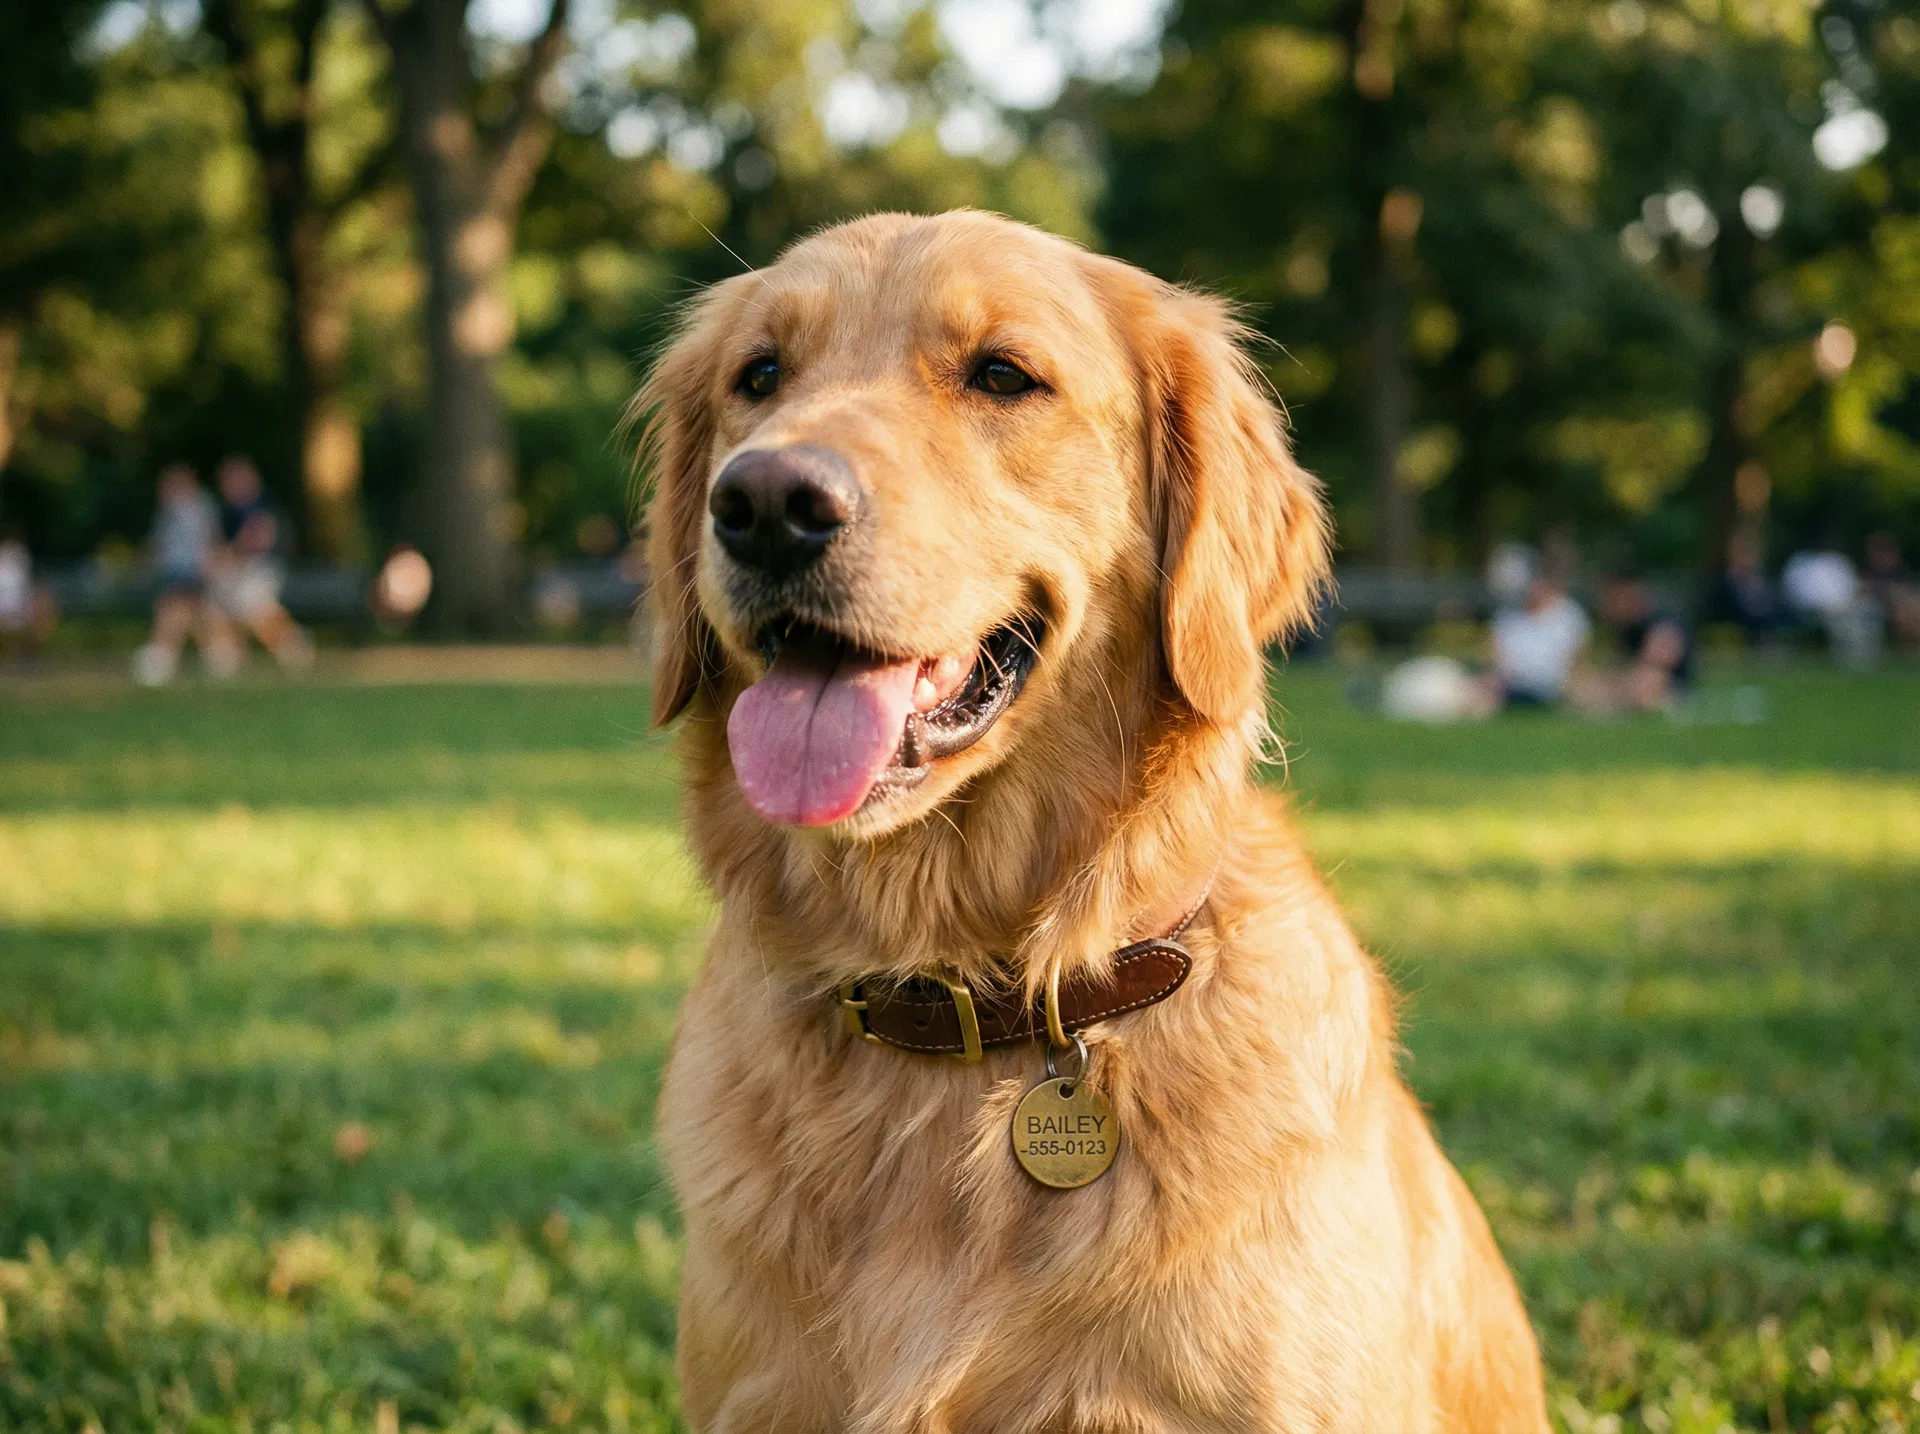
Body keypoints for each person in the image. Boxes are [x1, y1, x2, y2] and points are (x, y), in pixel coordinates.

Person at [209, 455, 313, 673]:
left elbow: (261, 540)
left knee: (256, 610)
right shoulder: (229, 510)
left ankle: (291, 645)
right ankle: (227, 654)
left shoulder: (262, 503)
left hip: (264, 567)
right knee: (219, 604)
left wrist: (232, 554)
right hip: (241, 569)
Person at [134, 464, 236, 685]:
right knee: (194, 613)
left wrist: (215, 562)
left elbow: (210, 537)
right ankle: (218, 654)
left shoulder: (196, 507)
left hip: (193, 568)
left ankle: (163, 656)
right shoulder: (172, 510)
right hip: (180, 569)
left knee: (176, 610)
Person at [1488, 567, 1591, 708]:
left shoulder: (1569, 614)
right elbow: (1499, 658)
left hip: (1557, 687)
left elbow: (1579, 660)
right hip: (1514, 686)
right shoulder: (1507, 617)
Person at [1597, 575, 1694, 713]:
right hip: (1633, 679)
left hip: (1671, 685)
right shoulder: (1626, 629)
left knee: (1648, 679)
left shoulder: (1662, 621)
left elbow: (1659, 662)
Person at [0, 528, 58, 661]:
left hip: (16, 597)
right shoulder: (15, 553)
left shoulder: (17, 553)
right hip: (13, 597)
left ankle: (25, 654)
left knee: (29, 626)